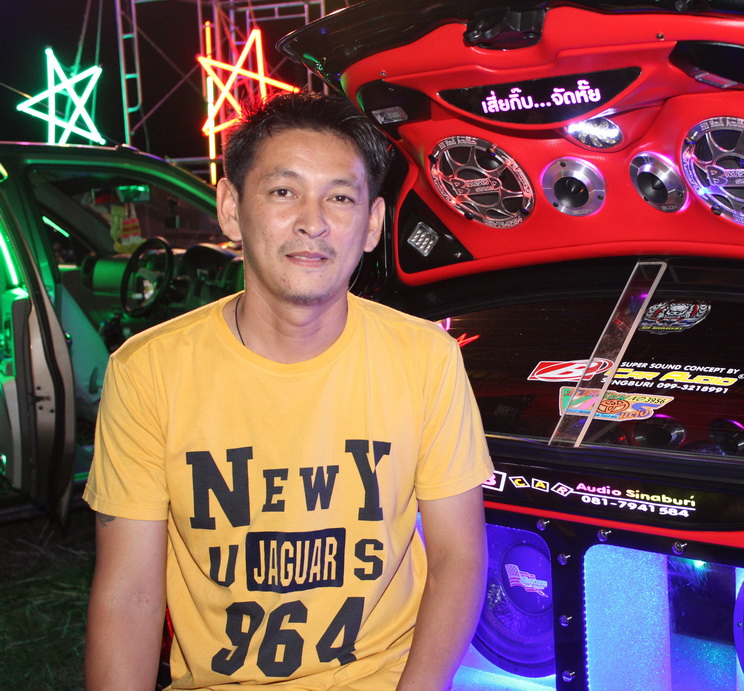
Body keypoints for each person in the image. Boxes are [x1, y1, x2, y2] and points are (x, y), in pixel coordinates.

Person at [83, 91, 493, 690]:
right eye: (283, 191)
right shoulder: (148, 372)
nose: (313, 221)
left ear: (372, 224)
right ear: (230, 208)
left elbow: (458, 558)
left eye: (340, 197)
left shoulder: (425, 358)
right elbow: (129, 593)